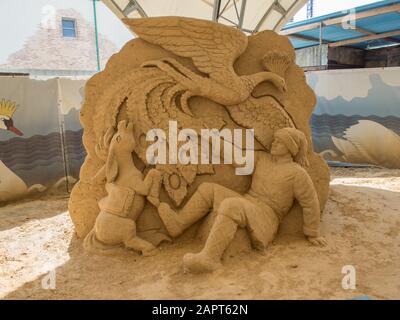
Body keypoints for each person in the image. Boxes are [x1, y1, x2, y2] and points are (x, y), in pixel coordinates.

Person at [156, 127, 327, 273]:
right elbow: (236, 157)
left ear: (291, 148)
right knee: (209, 189)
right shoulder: (263, 159)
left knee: (232, 205)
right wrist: (212, 138)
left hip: (266, 217)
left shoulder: (297, 173)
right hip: (249, 201)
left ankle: (210, 258)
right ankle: (179, 223)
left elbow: (310, 203)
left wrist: (312, 233)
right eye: (274, 140)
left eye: (279, 142)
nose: (273, 143)